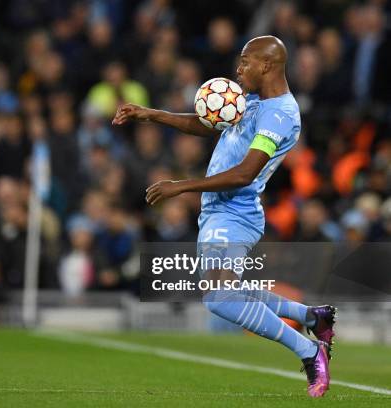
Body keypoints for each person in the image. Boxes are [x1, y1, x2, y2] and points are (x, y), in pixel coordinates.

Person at [112, 36, 334, 398]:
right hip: (219, 210)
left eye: (245, 62)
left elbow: (246, 173)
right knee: (226, 293)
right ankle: (313, 317)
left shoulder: (280, 115)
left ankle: (309, 350)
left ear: (266, 65)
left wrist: (181, 186)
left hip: (236, 211)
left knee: (218, 298)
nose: (238, 69)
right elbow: (208, 125)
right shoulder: (254, 100)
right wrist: (151, 115)